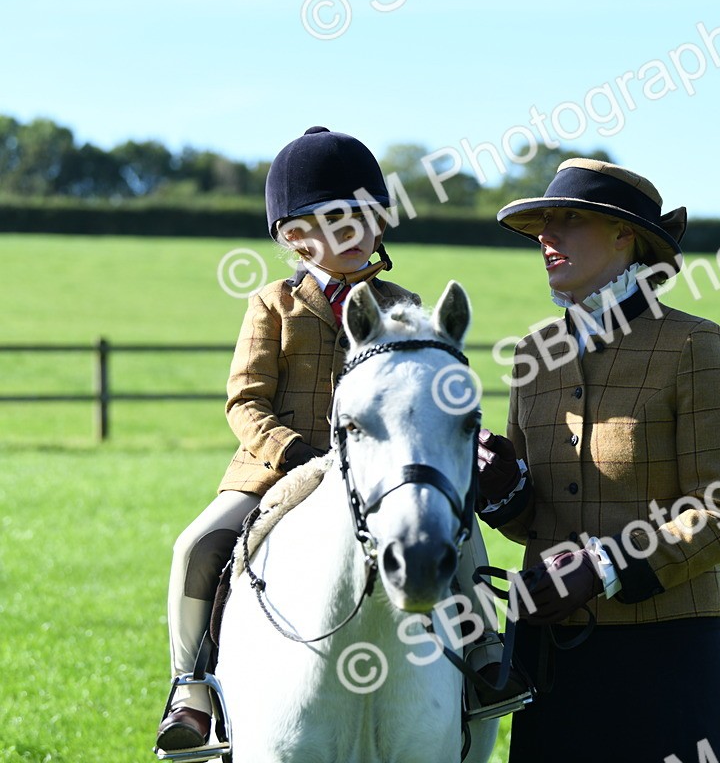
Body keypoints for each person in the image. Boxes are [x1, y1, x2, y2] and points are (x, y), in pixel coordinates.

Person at [156, 127, 527, 752]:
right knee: (195, 546)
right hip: (278, 472)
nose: (361, 233)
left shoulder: (403, 306)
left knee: (460, 538)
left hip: (382, 470)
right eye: (340, 221)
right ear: (295, 236)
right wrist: (296, 455)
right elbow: (243, 400)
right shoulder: (274, 304)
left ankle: (487, 661)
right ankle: (191, 690)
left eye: (367, 219)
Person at [474, 158, 720, 762]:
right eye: (543, 224)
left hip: (666, 655)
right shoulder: (532, 353)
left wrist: (604, 566)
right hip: (548, 656)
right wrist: (503, 487)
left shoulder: (693, 344)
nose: (547, 237)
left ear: (626, 235)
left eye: (567, 221)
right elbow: (534, 520)